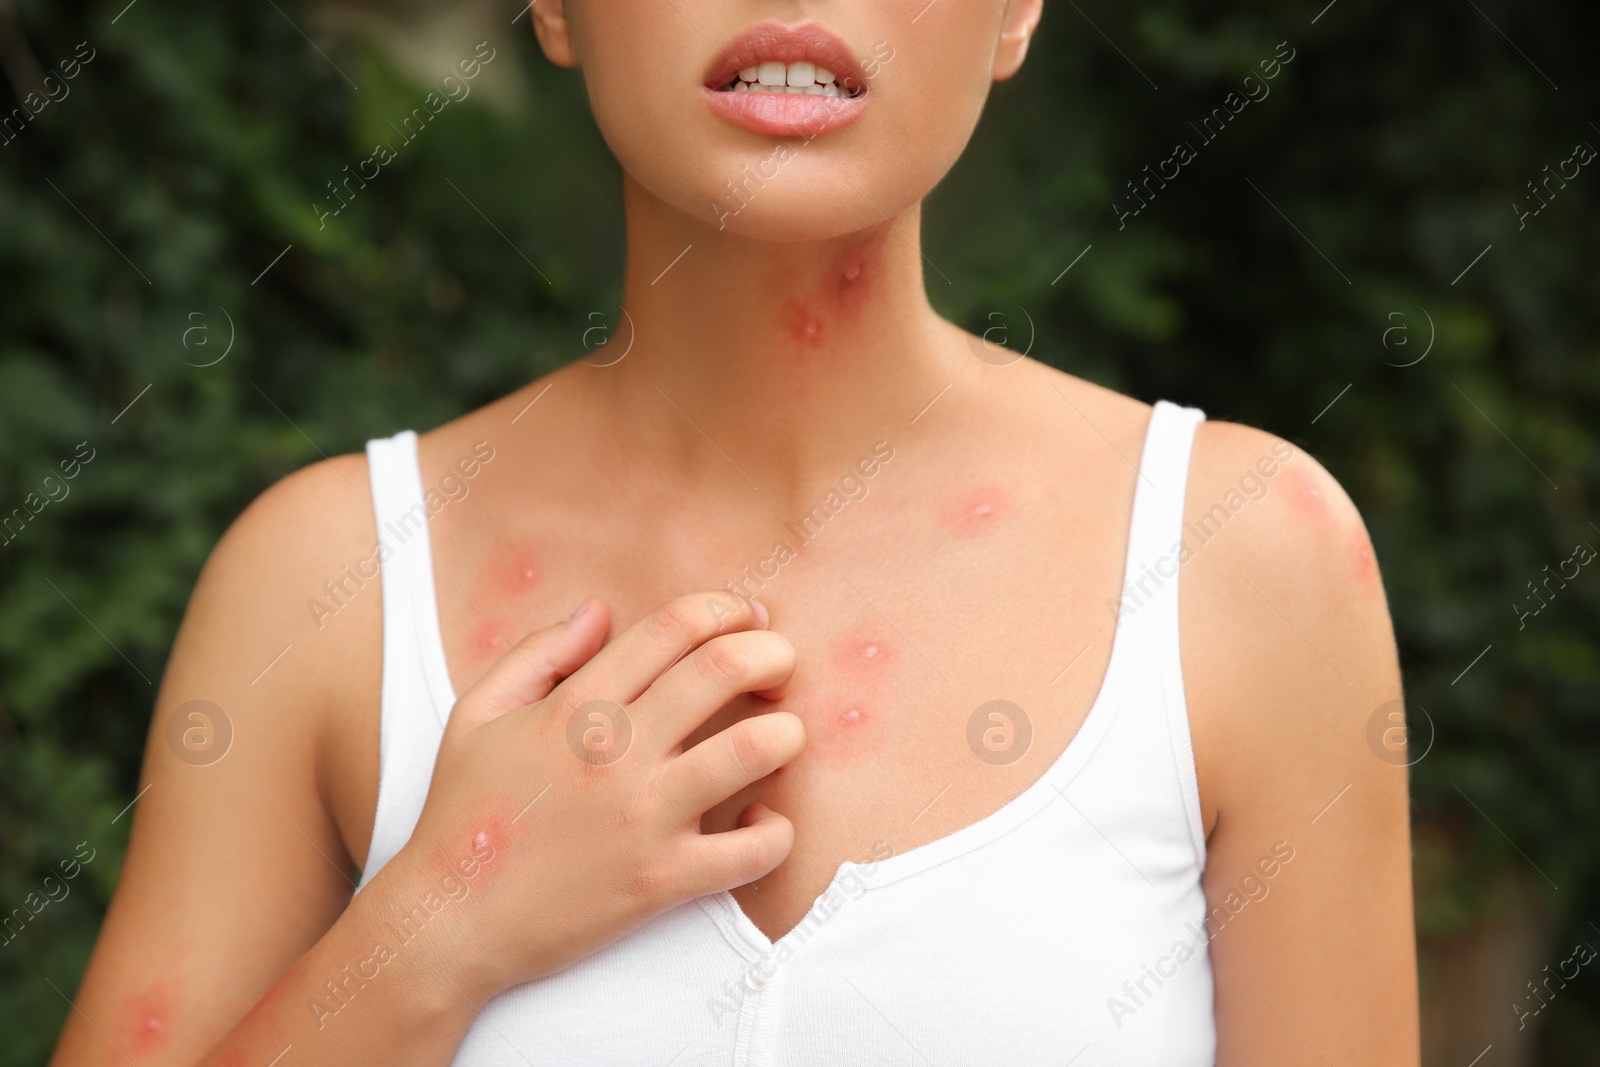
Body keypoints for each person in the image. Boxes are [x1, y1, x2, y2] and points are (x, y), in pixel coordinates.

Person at [50, 0, 1419, 1063]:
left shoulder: (1249, 556)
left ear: (1016, 14)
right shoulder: (322, 583)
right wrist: (436, 926)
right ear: (556, 6)